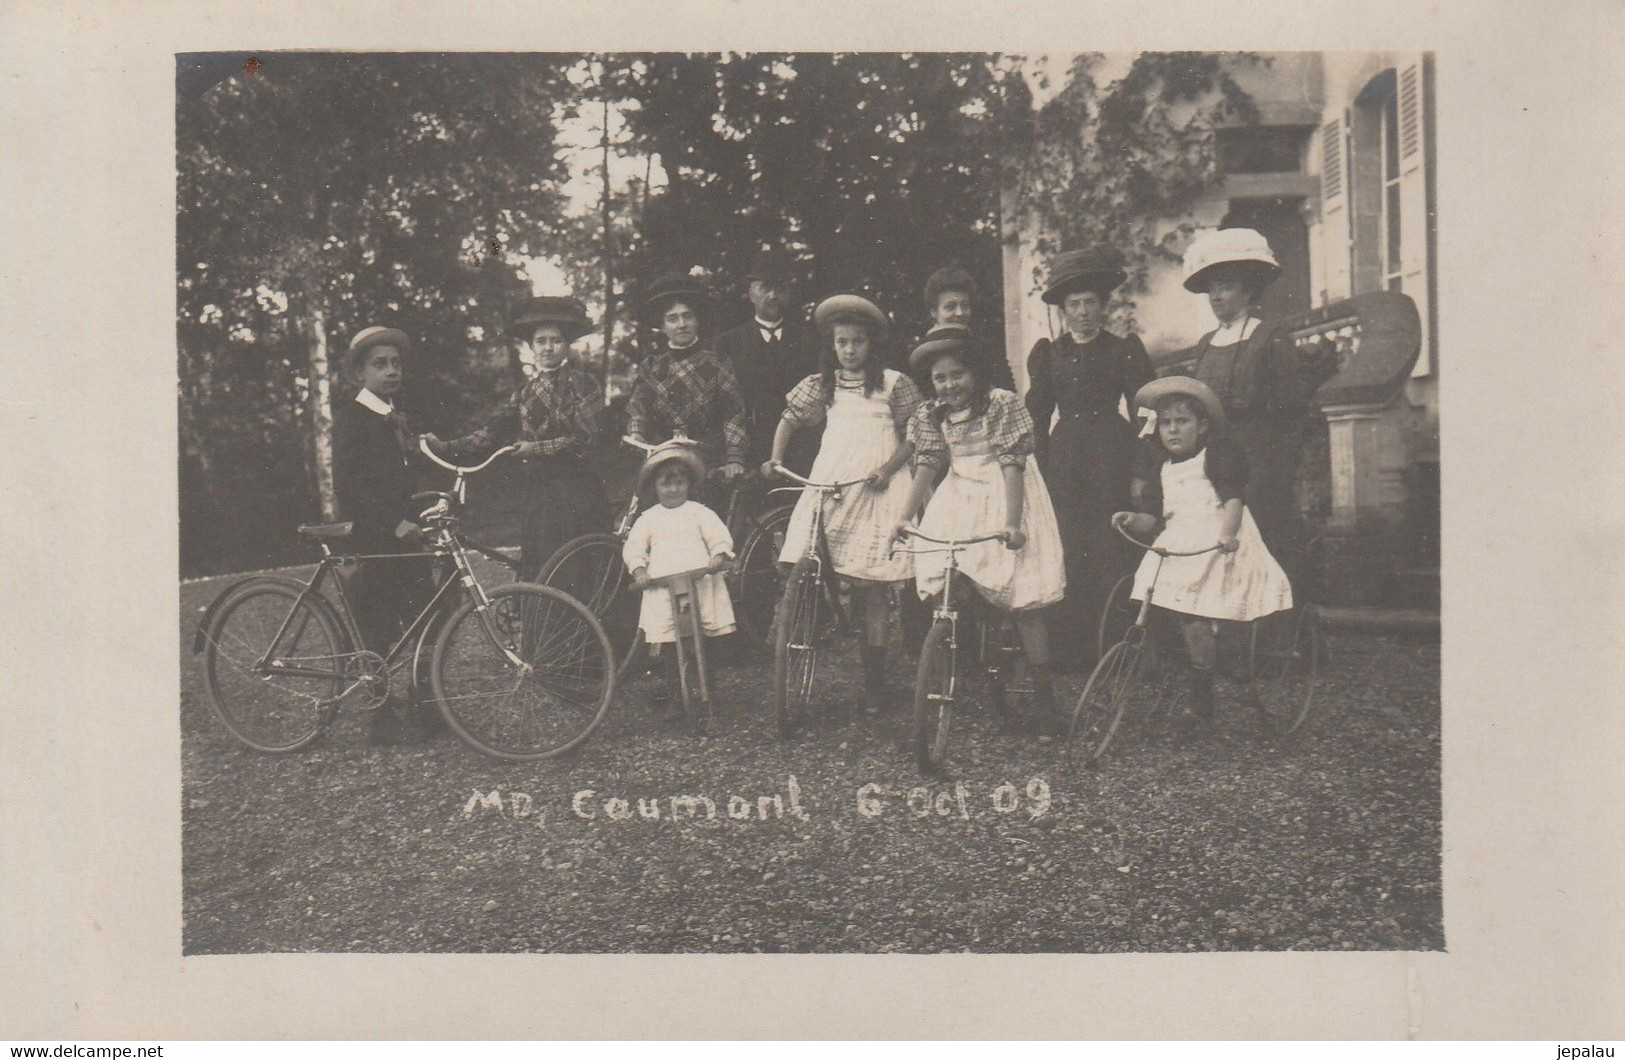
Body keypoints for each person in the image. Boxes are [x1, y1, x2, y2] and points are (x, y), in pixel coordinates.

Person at [891, 327, 1065, 733]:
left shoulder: (1000, 404)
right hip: (963, 490)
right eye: (940, 378)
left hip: (1007, 487)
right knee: (944, 571)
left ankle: (1045, 698)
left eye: (958, 374)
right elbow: (928, 465)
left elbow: (1012, 462)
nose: (950, 385)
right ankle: (952, 663)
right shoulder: (931, 414)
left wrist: (1012, 521)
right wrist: (903, 515)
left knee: (1025, 597)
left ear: (977, 373)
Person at [764, 294, 924, 715]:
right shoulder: (824, 385)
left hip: (878, 487)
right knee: (810, 560)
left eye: (857, 342)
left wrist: (889, 470)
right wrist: (777, 457)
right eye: (841, 342)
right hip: (833, 483)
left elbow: (915, 435)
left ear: (872, 345)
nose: (849, 350)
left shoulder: (893, 384)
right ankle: (804, 636)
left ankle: (874, 682)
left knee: (873, 586)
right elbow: (790, 418)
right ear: (831, 346)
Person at [1112, 377, 1292, 734]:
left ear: (1203, 425)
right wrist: (1133, 519)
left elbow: (1234, 501)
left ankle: (1207, 686)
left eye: (1183, 421)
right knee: (1160, 596)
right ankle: (1182, 677)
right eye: (1166, 423)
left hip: (1218, 534)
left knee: (1202, 607)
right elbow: (1154, 521)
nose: (1174, 430)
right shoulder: (1161, 469)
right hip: (1180, 541)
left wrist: (1227, 533)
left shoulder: (1215, 458)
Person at [1175, 227, 1337, 594]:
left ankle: (1275, 630)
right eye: (1213, 288)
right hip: (1215, 457)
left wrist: (1275, 463)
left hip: (1261, 460)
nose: (1218, 295)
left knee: (1262, 538)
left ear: (1248, 290)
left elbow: (1291, 407)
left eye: (1227, 286)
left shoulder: (1270, 337)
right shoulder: (1205, 345)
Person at [1024, 244, 1155, 667]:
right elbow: (1037, 416)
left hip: (1110, 454)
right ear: (1063, 310)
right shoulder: (1050, 354)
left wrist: (1140, 470)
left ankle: (1116, 647)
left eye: (1090, 303)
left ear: (1103, 306)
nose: (1082, 312)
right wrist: (1037, 469)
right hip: (1065, 457)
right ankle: (1070, 650)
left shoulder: (1124, 350)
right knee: (1067, 544)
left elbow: (1146, 413)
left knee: (1109, 545)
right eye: (1074, 304)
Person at [423, 296, 607, 581]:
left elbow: (586, 440)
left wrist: (535, 447)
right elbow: (492, 432)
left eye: (556, 340)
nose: (548, 347)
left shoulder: (583, 384)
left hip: (577, 491)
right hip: (539, 491)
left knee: (577, 564)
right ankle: (546, 623)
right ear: (531, 347)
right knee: (542, 561)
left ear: (567, 345)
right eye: (541, 341)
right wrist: (448, 447)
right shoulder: (524, 391)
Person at [332, 325, 440, 746]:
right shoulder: (352, 419)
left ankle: (426, 704)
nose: (391, 370)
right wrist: (392, 523)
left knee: (423, 613)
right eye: (380, 364)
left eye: (396, 363)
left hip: (403, 535)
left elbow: (400, 479)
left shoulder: (394, 416)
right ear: (359, 373)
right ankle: (379, 715)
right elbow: (351, 486)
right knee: (376, 627)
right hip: (373, 537)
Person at [623, 443, 737, 721]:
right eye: (666, 484)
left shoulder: (699, 512)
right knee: (672, 645)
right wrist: (639, 570)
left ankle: (708, 692)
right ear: (655, 487)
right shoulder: (648, 519)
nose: (673, 489)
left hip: (700, 583)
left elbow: (719, 535)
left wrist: (718, 555)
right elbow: (634, 547)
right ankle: (676, 695)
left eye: (679, 482)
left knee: (704, 641)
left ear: (688, 484)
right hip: (664, 588)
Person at [625, 272, 749, 483]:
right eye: (672, 319)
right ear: (662, 327)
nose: (681, 324)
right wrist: (636, 433)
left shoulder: (717, 363)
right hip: (662, 457)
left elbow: (733, 413)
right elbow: (638, 407)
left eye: (687, 316)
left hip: (707, 458)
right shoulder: (652, 366)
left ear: (697, 320)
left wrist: (734, 458)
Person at [713, 249, 820, 477]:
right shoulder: (728, 343)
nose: (772, 296)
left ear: (789, 293)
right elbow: (722, 405)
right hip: (749, 453)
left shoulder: (809, 340)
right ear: (751, 294)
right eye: (765, 288)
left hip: (802, 452)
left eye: (779, 288)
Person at [898, 267, 1015, 392]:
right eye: (950, 307)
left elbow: (1008, 395)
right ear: (933, 312)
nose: (960, 313)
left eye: (965, 306)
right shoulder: (918, 356)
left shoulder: (987, 349)